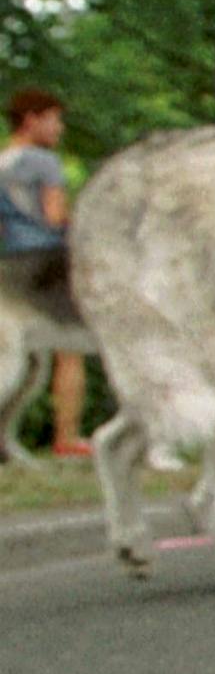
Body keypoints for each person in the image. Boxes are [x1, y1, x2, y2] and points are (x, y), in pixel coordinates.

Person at [0, 88, 89, 455]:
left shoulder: (3, 160)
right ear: (32, 119)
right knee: (70, 348)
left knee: (19, 355)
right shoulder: (44, 162)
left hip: (11, 264)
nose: (59, 127)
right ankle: (66, 437)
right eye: (54, 118)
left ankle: (5, 438)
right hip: (49, 261)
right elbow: (54, 217)